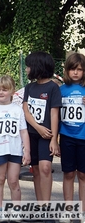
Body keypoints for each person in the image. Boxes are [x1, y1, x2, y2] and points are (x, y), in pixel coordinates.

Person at [0, 75, 31, 221]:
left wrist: (27, 151)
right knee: (0, 179)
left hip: (15, 150)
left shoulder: (18, 110)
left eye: (5, 89)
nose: (1, 92)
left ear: (12, 92)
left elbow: (23, 132)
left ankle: (16, 210)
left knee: (14, 180)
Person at [22, 51, 61, 207]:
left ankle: (46, 206)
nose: (26, 70)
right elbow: (26, 111)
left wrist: (54, 139)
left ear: (37, 67)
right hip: (32, 134)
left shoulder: (53, 88)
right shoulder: (29, 87)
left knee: (45, 168)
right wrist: (38, 127)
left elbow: (54, 114)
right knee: (36, 170)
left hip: (47, 136)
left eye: (28, 66)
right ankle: (40, 206)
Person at [59, 53, 85, 220]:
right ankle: (68, 209)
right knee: (68, 174)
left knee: (83, 175)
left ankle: (82, 212)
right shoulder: (60, 90)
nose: (76, 72)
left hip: (84, 138)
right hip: (67, 136)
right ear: (67, 71)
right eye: (72, 69)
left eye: (80, 69)